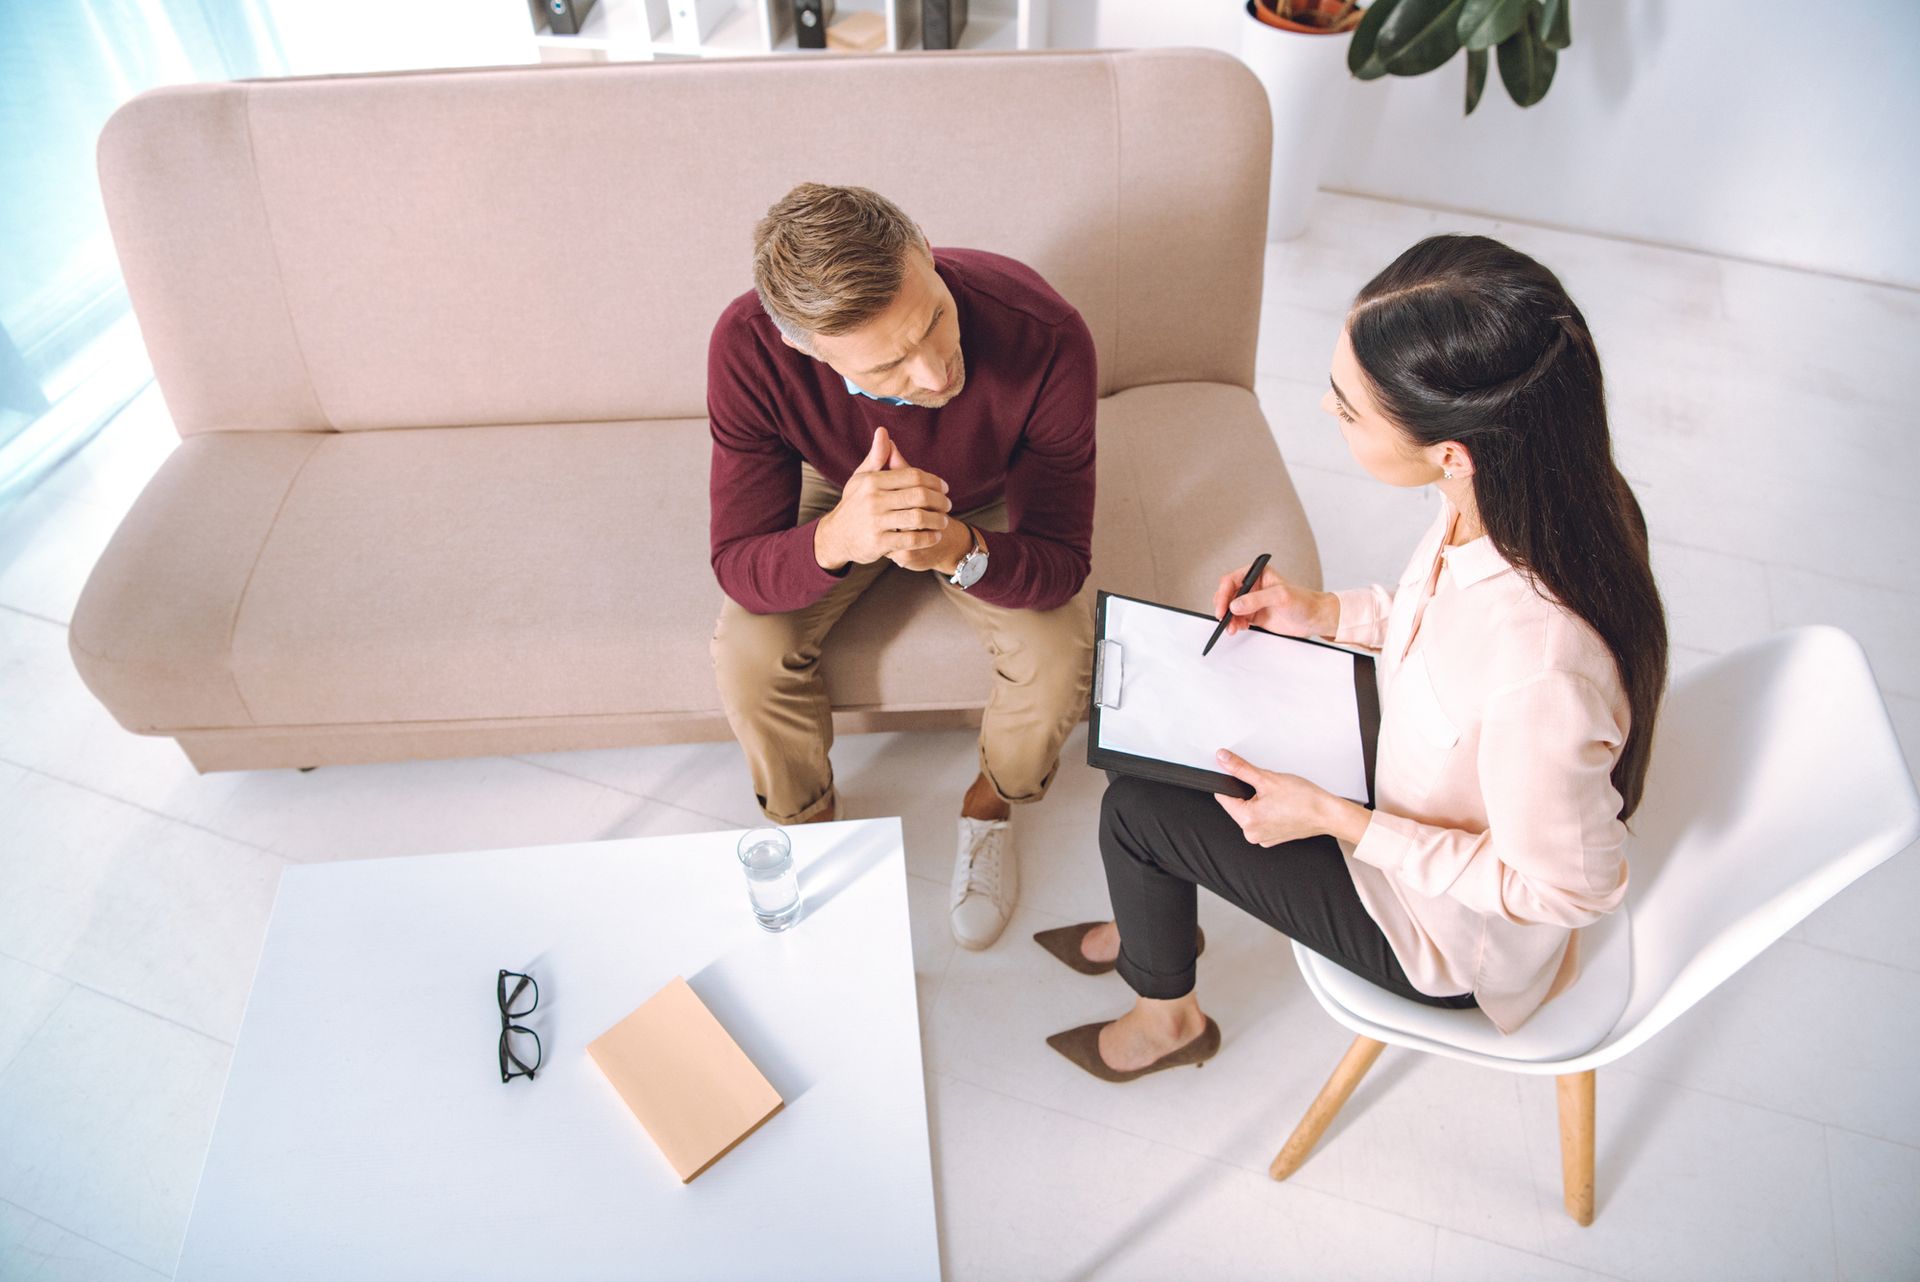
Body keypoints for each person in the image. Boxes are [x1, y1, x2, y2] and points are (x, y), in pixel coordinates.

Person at [1039, 234, 1669, 1080]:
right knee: (1150, 754)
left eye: (1350, 407)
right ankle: (1155, 915)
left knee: (1136, 811)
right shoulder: (1508, 498)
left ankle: (1167, 1020)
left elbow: (1567, 892)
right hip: (1411, 781)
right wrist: (1325, 612)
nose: (1329, 415)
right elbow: (1438, 629)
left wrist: (1337, 820)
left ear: (1450, 448)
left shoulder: (1542, 667)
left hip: (1441, 931)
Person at [707, 182, 1097, 950]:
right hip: (835, 484)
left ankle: (992, 805)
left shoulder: (1045, 333)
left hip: (988, 493)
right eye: (887, 365)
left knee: (1056, 655)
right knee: (750, 653)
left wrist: (956, 548)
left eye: (936, 323)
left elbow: (1062, 561)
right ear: (804, 347)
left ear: (924, 249)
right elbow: (738, 565)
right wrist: (840, 537)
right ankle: (810, 823)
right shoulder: (749, 346)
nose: (933, 374)